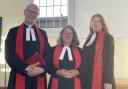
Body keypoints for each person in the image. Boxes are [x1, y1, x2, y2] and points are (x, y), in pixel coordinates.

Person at [5, 4, 50, 89]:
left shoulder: (43, 34)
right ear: (25, 12)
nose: (33, 14)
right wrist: (26, 68)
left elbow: (48, 54)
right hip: (19, 72)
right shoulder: (13, 32)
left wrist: (41, 69)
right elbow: (9, 55)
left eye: (35, 13)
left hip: (38, 75)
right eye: (30, 11)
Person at [82, 14, 116, 89]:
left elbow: (109, 61)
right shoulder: (89, 38)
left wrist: (108, 81)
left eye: (99, 21)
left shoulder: (107, 38)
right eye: (93, 21)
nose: (96, 23)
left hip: (102, 79)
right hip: (88, 78)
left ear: (102, 24)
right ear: (90, 24)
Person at [47, 25, 82, 89]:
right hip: (57, 83)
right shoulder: (52, 50)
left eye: (70, 34)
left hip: (74, 84)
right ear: (61, 35)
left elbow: (86, 67)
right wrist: (57, 72)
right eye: (65, 33)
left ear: (74, 36)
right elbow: (47, 66)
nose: (67, 35)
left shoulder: (80, 51)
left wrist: (78, 72)